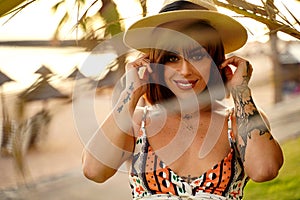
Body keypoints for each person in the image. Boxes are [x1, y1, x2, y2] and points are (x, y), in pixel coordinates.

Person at [81, 0, 284, 199]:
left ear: (216, 61)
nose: (185, 71)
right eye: (172, 58)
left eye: (197, 56)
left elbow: (264, 170)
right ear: (156, 64)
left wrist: (241, 91)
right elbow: (94, 171)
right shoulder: (137, 123)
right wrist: (131, 92)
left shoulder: (237, 121)